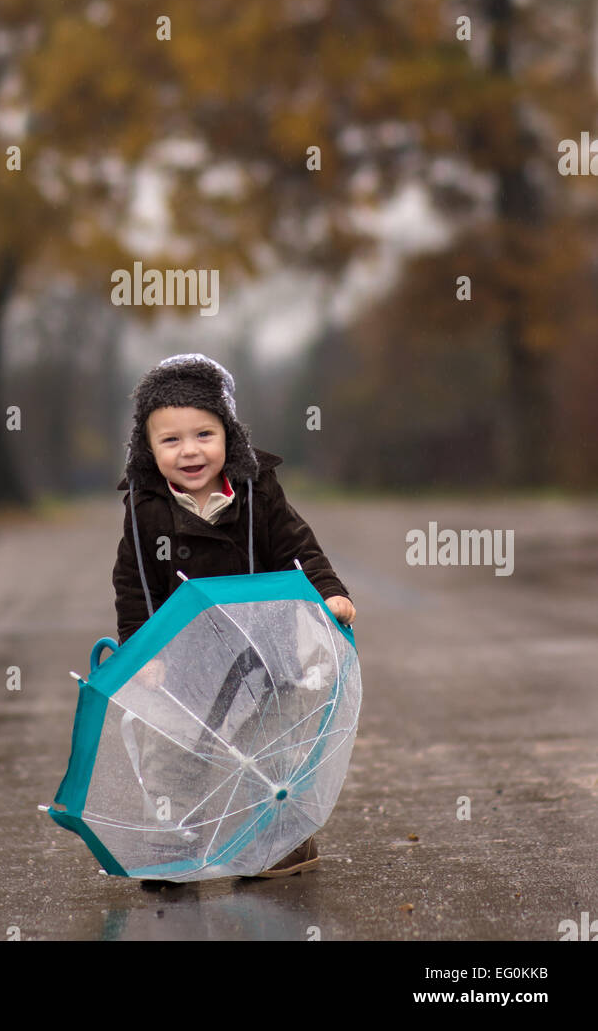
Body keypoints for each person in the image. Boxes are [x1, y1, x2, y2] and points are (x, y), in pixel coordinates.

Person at [112, 352, 356, 880]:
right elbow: (135, 587)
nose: (189, 451)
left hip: (265, 659)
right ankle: (172, 842)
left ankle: (282, 841)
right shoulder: (145, 507)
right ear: (147, 449)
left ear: (229, 436)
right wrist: (142, 649)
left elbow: (298, 548)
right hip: (185, 665)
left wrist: (328, 591)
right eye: (170, 440)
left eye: (204, 434)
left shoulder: (256, 490)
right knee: (172, 754)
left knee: (269, 751)